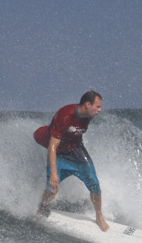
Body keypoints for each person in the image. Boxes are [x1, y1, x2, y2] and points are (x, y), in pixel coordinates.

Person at [34, 90, 109, 232]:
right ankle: (42, 207)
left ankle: (99, 216)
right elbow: (52, 146)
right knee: (52, 189)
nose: (100, 110)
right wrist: (55, 173)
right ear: (88, 104)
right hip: (59, 153)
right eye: (98, 107)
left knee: (94, 183)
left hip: (76, 151)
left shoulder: (88, 116)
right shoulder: (65, 116)